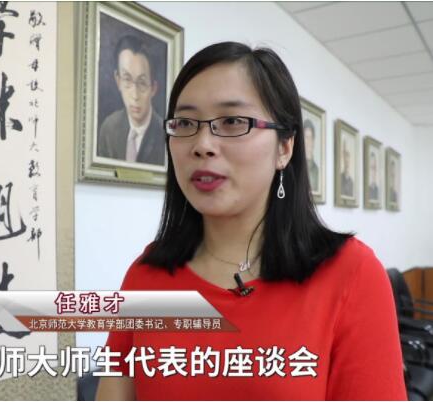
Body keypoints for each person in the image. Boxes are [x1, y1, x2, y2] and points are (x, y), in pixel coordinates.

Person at [96, 42, 406, 400]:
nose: (202, 144)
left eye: (232, 122)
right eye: (185, 123)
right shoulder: (145, 276)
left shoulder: (351, 274)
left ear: (284, 147)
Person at [97, 35, 165, 166]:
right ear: (118, 81)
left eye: (142, 83)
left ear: (153, 88)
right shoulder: (108, 129)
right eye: (127, 80)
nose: (135, 95)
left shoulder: (164, 135)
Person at [303, 118, 319, 192]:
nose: (308, 142)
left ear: (313, 141)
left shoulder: (317, 170)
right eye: (306, 137)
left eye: (311, 138)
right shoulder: (297, 167)